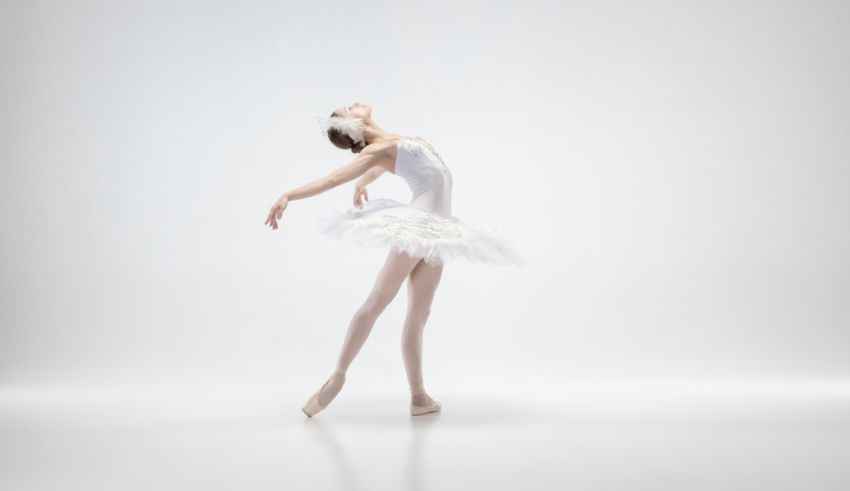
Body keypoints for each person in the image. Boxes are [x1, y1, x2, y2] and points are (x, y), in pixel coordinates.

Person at [264, 102, 523, 417]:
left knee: (418, 315)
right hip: (417, 226)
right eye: (346, 108)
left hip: (438, 231)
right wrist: (288, 195)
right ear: (352, 124)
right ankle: (337, 377)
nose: (352, 104)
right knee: (377, 301)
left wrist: (363, 182)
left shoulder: (387, 145)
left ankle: (419, 396)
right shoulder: (375, 151)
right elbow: (332, 179)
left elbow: (389, 163)